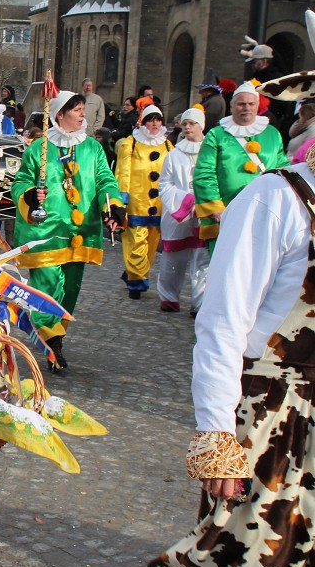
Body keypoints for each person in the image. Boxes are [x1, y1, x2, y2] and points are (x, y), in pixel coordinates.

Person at [141, 25, 315, 567]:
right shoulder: (278, 198)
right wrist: (218, 435)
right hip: (273, 411)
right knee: (234, 562)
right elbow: (222, 321)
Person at [11, 90, 125, 371]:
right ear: (59, 114)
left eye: (83, 109)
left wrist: (112, 205)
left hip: (80, 230)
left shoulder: (93, 148)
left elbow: (105, 180)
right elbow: (21, 181)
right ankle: (52, 341)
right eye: (76, 109)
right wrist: (27, 195)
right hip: (45, 231)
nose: (82, 114)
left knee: (71, 289)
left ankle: (58, 334)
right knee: (47, 285)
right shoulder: (38, 148)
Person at [192, 81, 290, 250]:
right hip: (227, 214)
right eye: (241, 104)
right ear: (232, 107)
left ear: (257, 106)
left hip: (265, 213)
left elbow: (282, 170)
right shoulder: (216, 135)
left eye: (251, 104)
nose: (246, 108)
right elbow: (204, 173)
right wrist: (215, 208)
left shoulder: (272, 134)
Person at [156, 107, 209, 315]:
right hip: (178, 214)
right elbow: (165, 184)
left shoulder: (211, 151)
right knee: (173, 258)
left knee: (202, 259)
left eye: (192, 123)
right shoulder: (174, 155)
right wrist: (186, 201)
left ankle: (200, 303)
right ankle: (169, 296)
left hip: (204, 212)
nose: (187, 127)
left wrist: (204, 202)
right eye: (184, 124)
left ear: (201, 126)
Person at [115, 104, 172, 299]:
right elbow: (123, 171)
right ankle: (136, 281)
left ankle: (135, 272)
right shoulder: (130, 144)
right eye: (151, 120)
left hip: (158, 204)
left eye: (158, 120)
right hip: (136, 202)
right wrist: (122, 197)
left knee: (151, 244)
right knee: (136, 241)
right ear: (144, 122)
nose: (154, 124)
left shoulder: (167, 145)